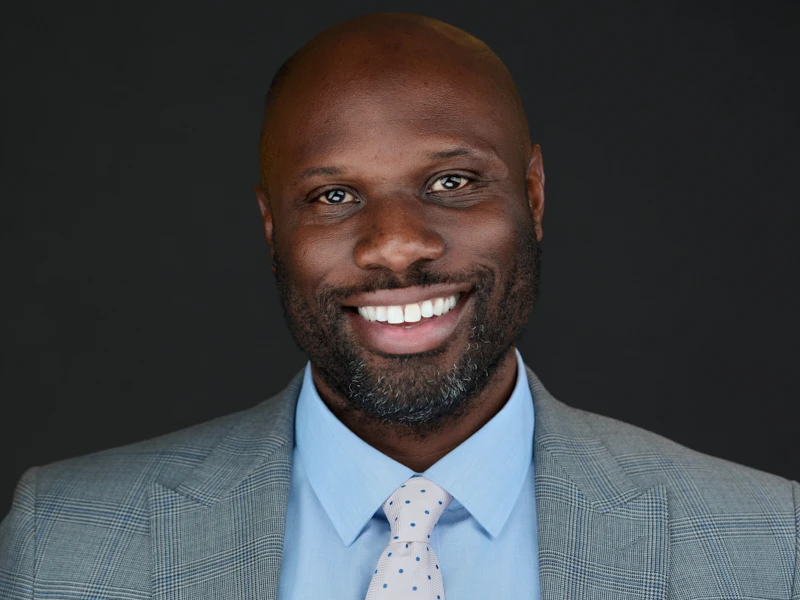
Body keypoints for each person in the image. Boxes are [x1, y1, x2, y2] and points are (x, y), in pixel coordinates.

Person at [1, 12, 797, 600]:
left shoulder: (768, 544)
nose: (395, 244)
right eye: (335, 194)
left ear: (533, 194)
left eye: (451, 182)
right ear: (273, 226)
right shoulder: (62, 546)